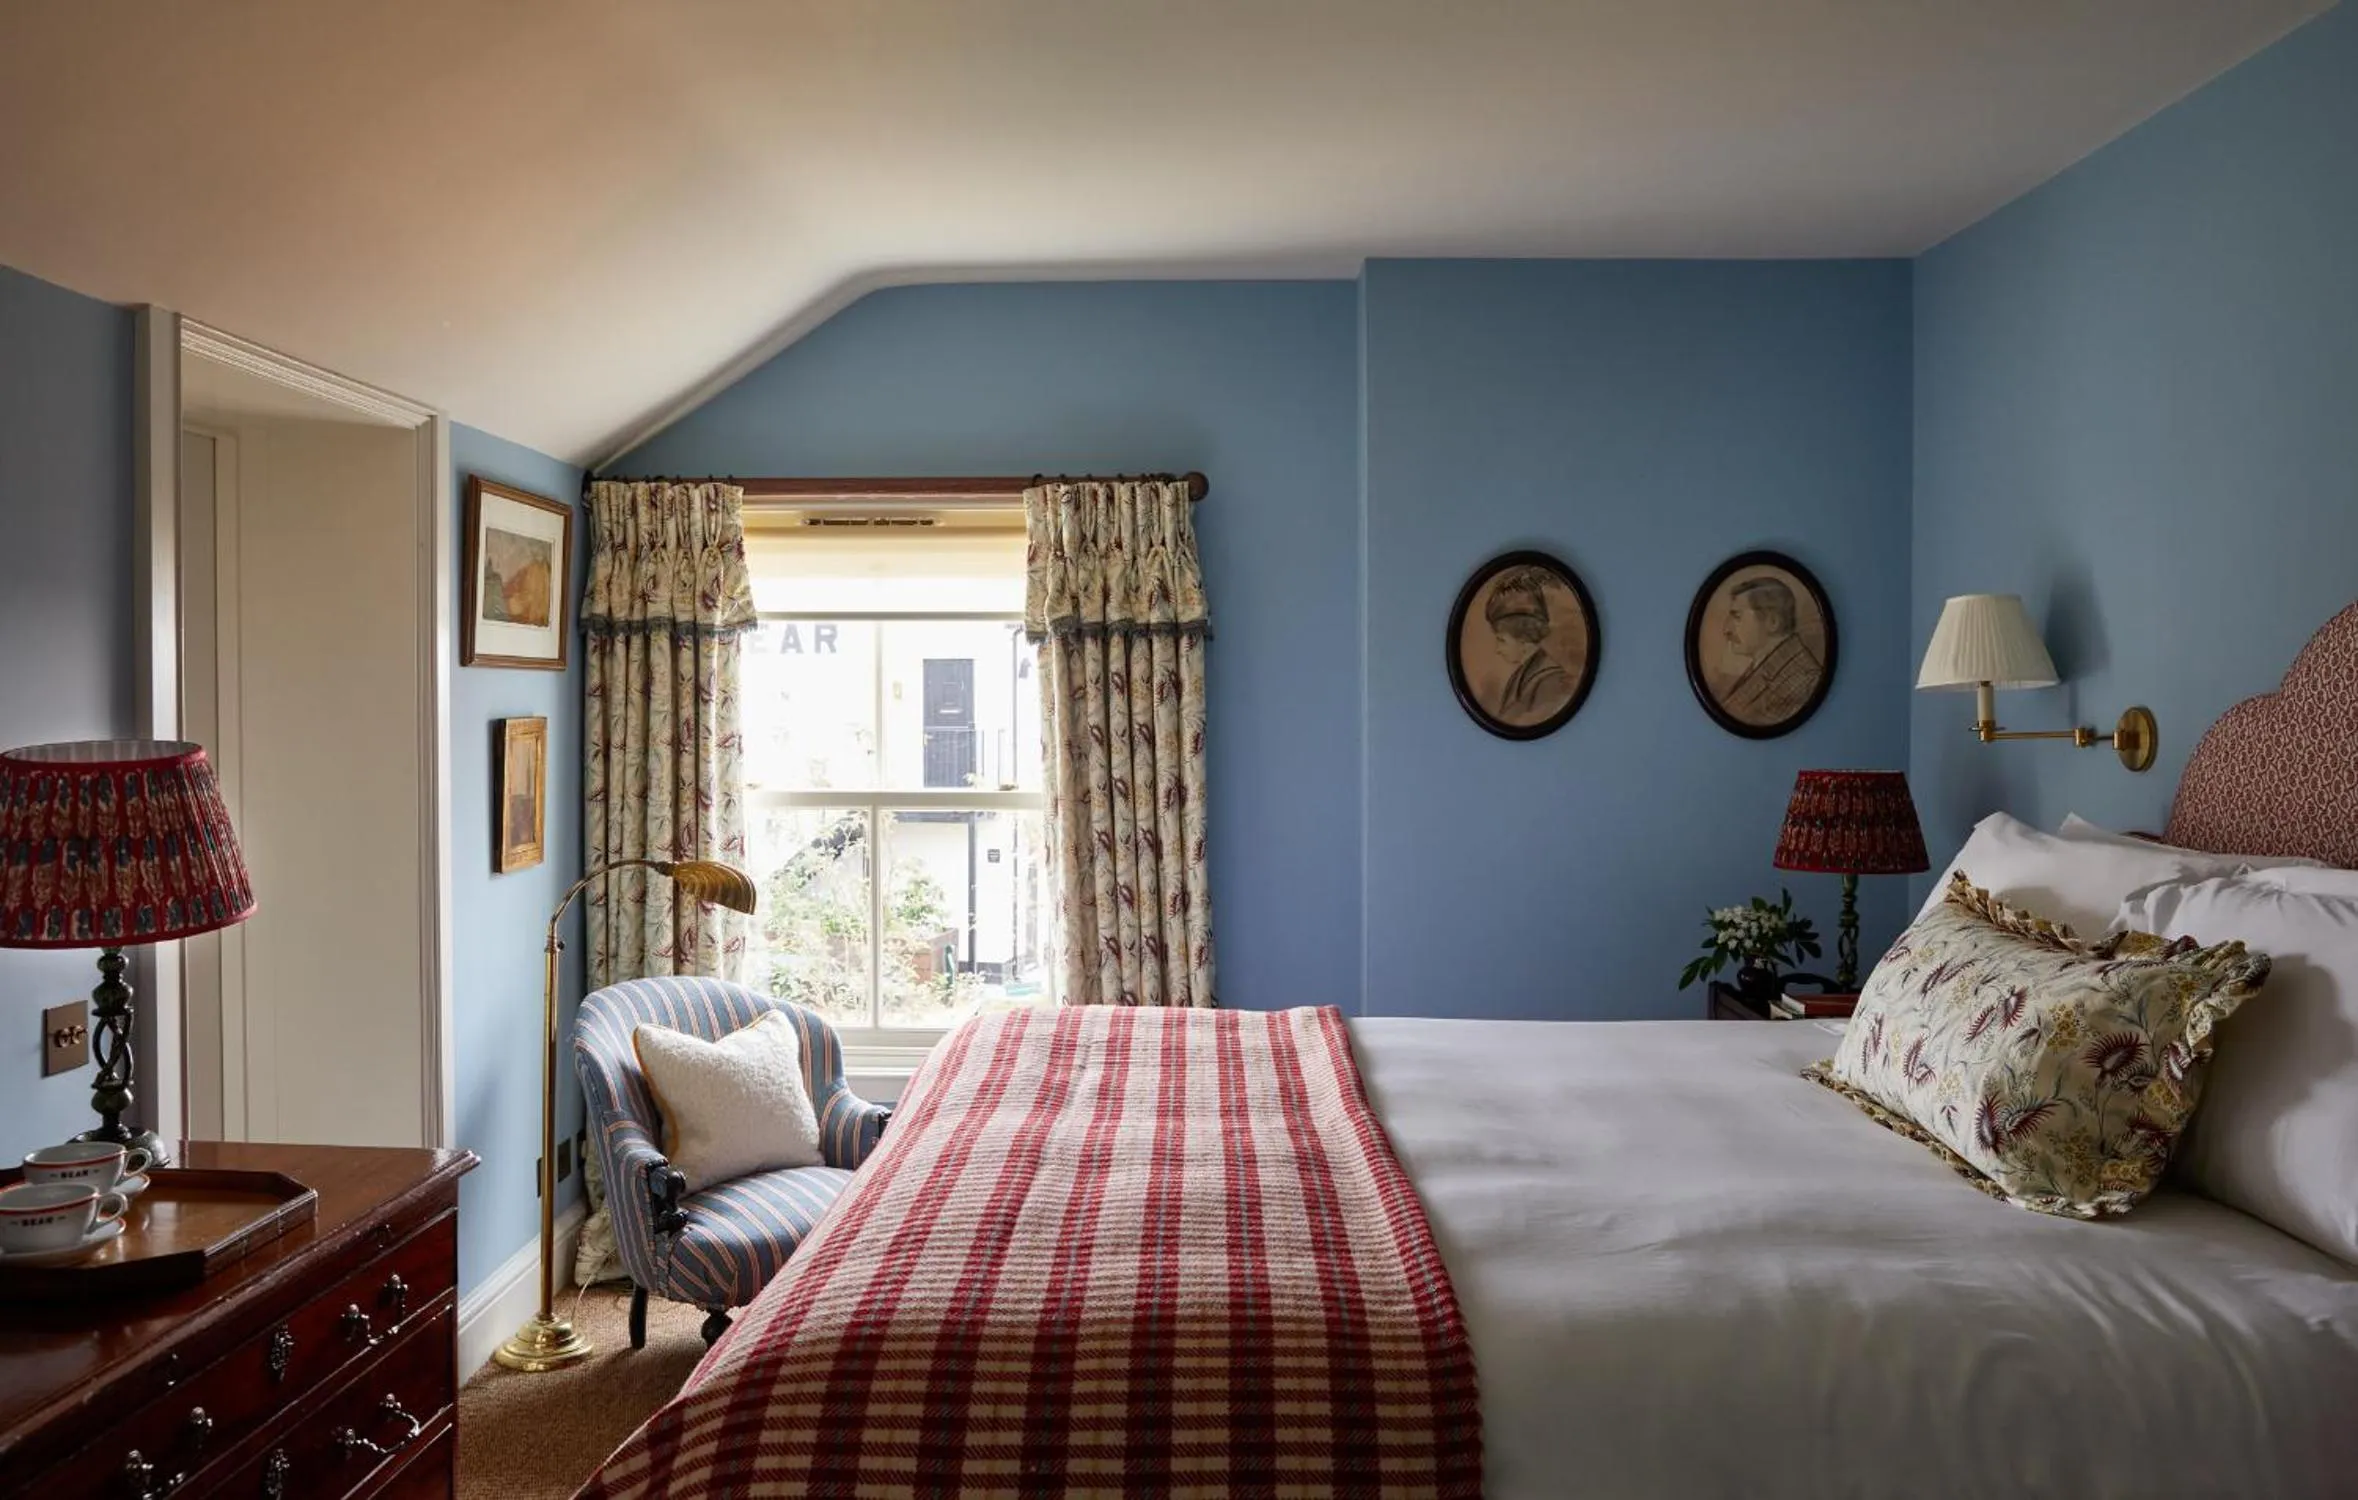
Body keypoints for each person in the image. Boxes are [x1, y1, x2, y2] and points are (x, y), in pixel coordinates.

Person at [1720, 576, 1821, 723]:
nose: (1726, 629)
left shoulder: (1806, 683)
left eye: (1737, 616)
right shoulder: (1765, 669)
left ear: (1772, 622)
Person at [1486, 569, 1571, 719]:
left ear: (1523, 638)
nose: (1497, 650)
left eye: (1502, 640)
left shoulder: (1551, 681)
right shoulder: (1519, 678)